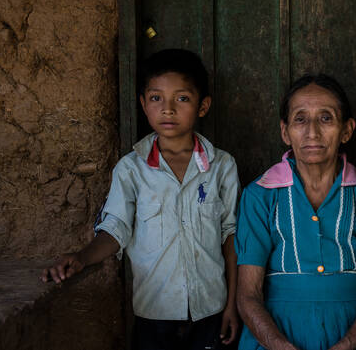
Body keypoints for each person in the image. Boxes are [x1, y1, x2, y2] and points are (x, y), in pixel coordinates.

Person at [41, 49, 240, 350]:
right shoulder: (131, 169)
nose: (168, 109)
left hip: (211, 309)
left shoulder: (222, 166)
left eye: (182, 98)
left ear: (203, 106)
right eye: (157, 98)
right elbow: (116, 229)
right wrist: (82, 257)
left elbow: (231, 237)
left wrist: (232, 304)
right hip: (154, 314)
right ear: (143, 103)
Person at [235, 74, 356, 350]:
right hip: (277, 333)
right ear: (285, 132)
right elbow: (248, 295)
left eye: (326, 118)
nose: (312, 132)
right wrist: (278, 346)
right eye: (300, 119)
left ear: (347, 130)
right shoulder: (260, 195)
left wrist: (345, 346)